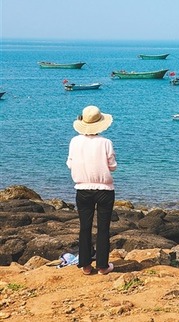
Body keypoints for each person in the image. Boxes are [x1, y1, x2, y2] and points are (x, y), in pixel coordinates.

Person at [66, 105, 117, 275]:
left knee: (84, 227)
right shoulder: (106, 143)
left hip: (82, 189)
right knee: (103, 228)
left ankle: (86, 266)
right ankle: (102, 266)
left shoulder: (75, 141)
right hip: (104, 190)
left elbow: (70, 163)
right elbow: (113, 166)